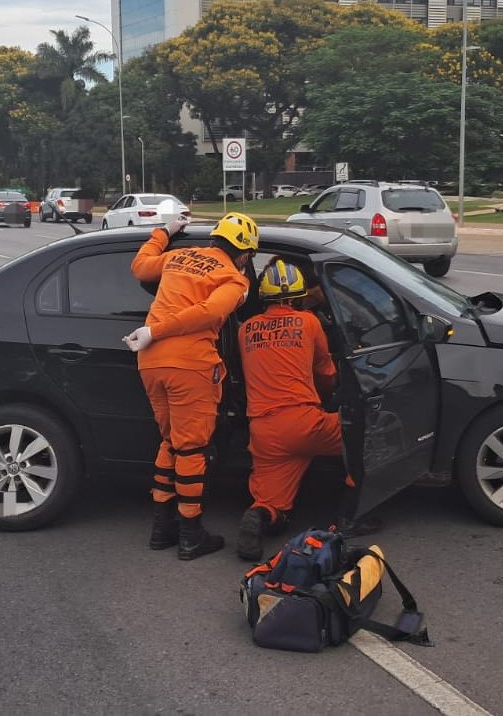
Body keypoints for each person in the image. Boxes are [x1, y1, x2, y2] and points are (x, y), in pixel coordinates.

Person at [126, 211, 258, 560]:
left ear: (215, 240)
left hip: (150, 361)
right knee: (192, 449)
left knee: (170, 441)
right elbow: (211, 314)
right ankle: (190, 534)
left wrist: (164, 232)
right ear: (244, 254)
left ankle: (161, 528)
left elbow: (140, 267)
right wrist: (157, 330)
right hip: (189, 365)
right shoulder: (233, 278)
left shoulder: (178, 256)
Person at [234, 258, 342, 561]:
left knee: (272, 502)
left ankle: (260, 517)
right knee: (363, 434)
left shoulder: (245, 331)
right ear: (297, 296)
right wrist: (327, 397)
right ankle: (353, 511)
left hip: (265, 431)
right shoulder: (309, 322)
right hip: (305, 422)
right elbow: (326, 373)